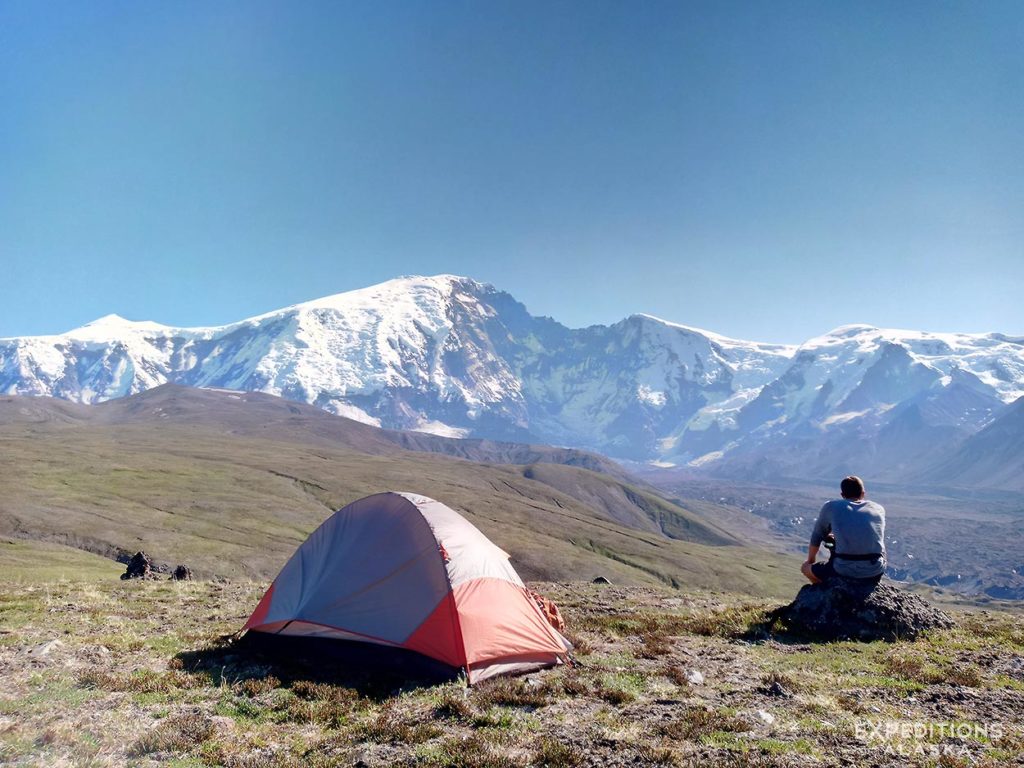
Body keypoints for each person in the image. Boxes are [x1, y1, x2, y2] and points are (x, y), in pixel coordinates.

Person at [801, 475, 886, 585]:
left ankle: (824, 590)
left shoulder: (831, 507)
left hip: (842, 569)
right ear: (863, 493)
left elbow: (817, 536)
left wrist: (810, 561)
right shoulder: (878, 508)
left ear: (842, 495)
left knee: (805, 568)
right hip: (875, 570)